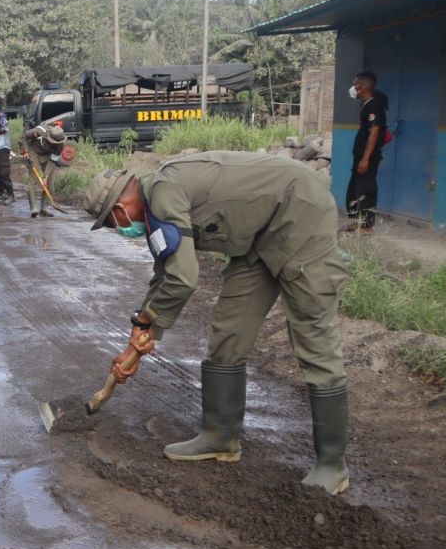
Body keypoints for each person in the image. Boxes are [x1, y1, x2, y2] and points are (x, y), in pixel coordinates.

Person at [81, 152, 351, 495]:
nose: (118, 230)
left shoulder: (163, 193)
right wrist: (144, 331)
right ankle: (220, 436)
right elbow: (166, 272)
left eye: (111, 223)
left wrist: (149, 318)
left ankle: (331, 465)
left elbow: (183, 279)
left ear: (120, 208)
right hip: (256, 240)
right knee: (229, 331)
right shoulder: (155, 207)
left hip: (299, 212)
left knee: (313, 335)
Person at [346, 71, 388, 234]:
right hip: (360, 156)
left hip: (367, 158)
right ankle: (358, 222)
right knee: (355, 189)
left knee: (366, 189)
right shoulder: (366, 105)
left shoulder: (373, 106)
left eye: (354, 84)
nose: (352, 88)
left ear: (361, 87)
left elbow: (374, 132)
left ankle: (367, 226)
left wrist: (365, 158)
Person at [20, 124, 66, 218]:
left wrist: (46, 176)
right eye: (53, 142)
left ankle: (44, 209)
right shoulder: (39, 131)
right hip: (33, 151)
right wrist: (25, 150)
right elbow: (24, 136)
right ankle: (33, 209)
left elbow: (53, 161)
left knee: (50, 183)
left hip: (47, 156)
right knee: (34, 177)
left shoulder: (60, 146)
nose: (55, 145)